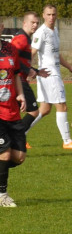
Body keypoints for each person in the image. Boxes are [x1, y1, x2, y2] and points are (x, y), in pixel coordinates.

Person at [32, 4, 72, 149]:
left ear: (56, 15)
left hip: (53, 73)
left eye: (53, 14)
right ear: (43, 15)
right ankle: (67, 141)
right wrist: (27, 70)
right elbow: (31, 52)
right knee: (62, 106)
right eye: (48, 14)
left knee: (44, 109)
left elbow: (57, 54)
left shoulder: (54, 30)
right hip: (49, 75)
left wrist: (70, 68)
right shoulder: (41, 32)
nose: (51, 17)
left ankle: (20, 134)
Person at [9, 11, 50, 145]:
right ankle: (16, 137)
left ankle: (11, 137)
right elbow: (11, 57)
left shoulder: (26, 38)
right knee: (33, 112)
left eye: (37, 23)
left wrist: (37, 72)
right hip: (19, 81)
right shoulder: (21, 38)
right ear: (24, 23)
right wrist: (28, 70)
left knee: (12, 113)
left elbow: (20, 61)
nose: (35, 25)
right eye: (32, 22)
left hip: (18, 80)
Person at [0, 20, 29, 207]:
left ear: (1, 27)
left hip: (12, 110)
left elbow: (16, 74)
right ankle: (2, 194)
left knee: (18, 156)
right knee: (4, 154)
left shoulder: (10, 49)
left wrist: (20, 94)